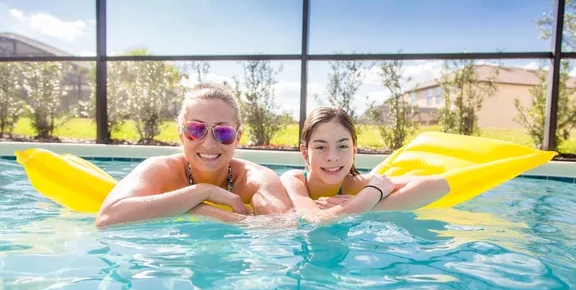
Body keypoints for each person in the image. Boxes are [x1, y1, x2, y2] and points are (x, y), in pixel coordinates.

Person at [96, 83, 292, 227]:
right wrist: (203, 193)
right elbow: (107, 218)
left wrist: (195, 209)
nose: (208, 143)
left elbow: (283, 228)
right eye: (196, 130)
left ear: (238, 137)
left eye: (223, 132)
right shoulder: (161, 169)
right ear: (181, 134)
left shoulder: (256, 179)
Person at [280, 107, 450, 224]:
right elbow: (315, 219)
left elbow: (440, 185)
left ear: (354, 150)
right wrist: (370, 196)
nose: (332, 157)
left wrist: (361, 203)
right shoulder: (293, 180)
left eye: (342, 146)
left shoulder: (355, 184)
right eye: (320, 147)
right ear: (304, 153)